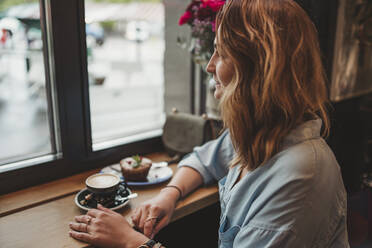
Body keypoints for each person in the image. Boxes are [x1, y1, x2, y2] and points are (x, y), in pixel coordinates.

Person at [69, 0, 349, 247]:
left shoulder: (298, 177)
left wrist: (131, 241)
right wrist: (169, 194)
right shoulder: (263, 132)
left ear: (259, 69)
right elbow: (204, 160)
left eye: (222, 53)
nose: (210, 65)